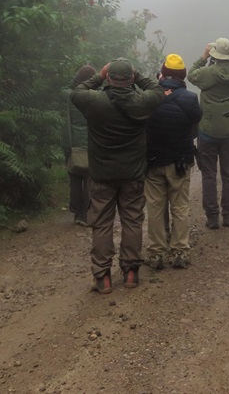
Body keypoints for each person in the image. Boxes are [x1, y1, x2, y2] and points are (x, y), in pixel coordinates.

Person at [70, 58, 169, 294]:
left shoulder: (94, 102)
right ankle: (131, 273)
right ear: (131, 79)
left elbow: (77, 91)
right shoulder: (142, 102)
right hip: (133, 174)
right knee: (132, 221)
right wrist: (138, 74)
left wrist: (99, 75)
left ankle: (102, 277)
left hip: (102, 175)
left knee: (102, 224)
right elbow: (156, 89)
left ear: (109, 78)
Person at [145, 54, 202, 270]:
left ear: (163, 73)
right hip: (180, 162)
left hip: (153, 161)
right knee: (180, 206)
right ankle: (180, 251)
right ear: (183, 76)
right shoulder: (189, 98)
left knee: (155, 207)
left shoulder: (151, 96)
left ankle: (156, 253)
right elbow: (196, 120)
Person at [187, 37, 229, 229]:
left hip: (208, 131)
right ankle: (228, 215)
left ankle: (212, 217)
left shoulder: (208, 73)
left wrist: (204, 56)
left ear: (215, 55)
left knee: (209, 175)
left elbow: (191, 75)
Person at [63, 64, 96, 226]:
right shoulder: (95, 97)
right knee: (90, 179)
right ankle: (87, 213)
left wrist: (75, 80)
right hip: (91, 144)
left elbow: (66, 87)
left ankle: (77, 214)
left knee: (75, 178)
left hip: (72, 144)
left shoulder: (70, 96)